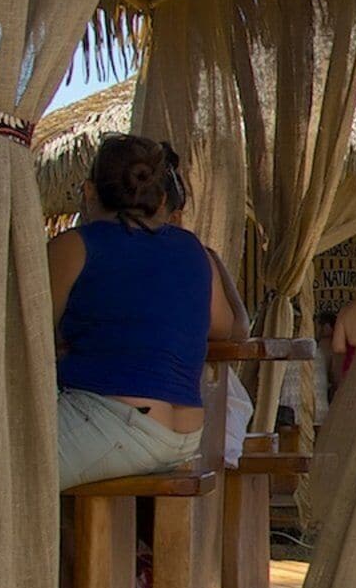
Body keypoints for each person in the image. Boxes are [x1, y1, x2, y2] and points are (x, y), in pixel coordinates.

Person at [50, 133, 242, 487]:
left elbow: (27, 332)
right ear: (162, 198)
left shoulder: (76, 246)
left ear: (90, 191)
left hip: (114, 422)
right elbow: (227, 328)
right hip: (185, 433)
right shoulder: (191, 250)